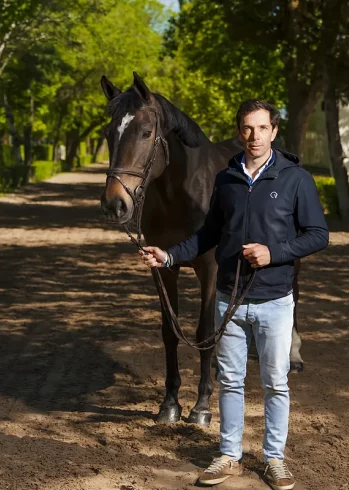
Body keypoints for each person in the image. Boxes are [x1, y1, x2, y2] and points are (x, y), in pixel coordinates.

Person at [140, 100, 329, 490]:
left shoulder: (296, 179)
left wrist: (274, 253)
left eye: (262, 128)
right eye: (247, 128)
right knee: (231, 381)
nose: (254, 136)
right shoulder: (225, 179)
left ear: (274, 132)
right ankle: (228, 456)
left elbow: (318, 235)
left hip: (275, 301)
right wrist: (170, 254)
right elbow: (209, 234)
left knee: (276, 382)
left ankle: (274, 460)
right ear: (239, 131)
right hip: (230, 298)